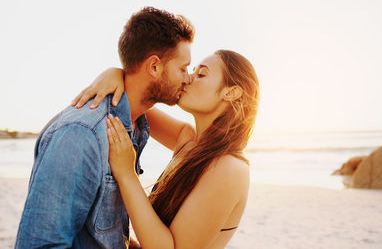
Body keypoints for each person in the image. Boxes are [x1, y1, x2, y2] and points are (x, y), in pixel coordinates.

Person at [15, 7, 194, 248]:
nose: (188, 78)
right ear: (154, 67)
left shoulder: (133, 124)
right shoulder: (81, 135)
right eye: (183, 68)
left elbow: (104, 234)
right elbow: (41, 244)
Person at [74, 49, 260, 248]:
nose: (188, 78)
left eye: (201, 74)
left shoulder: (229, 169)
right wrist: (115, 73)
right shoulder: (188, 140)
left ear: (231, 92)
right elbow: (134, 100)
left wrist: (127, 174)